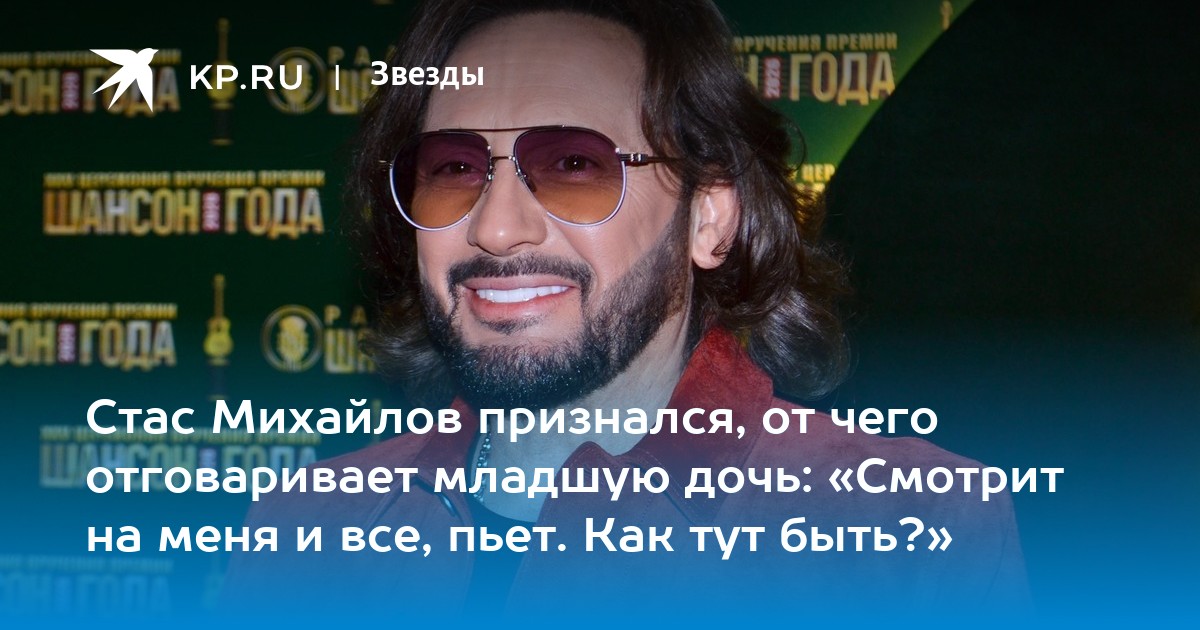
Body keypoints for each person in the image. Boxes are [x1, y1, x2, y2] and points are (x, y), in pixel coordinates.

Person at [222, 0, 1029, 623]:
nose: (496, 227)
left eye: (574, 164)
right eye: (455, 169)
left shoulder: (910, 532)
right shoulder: (302, 527)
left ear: (709, 218)